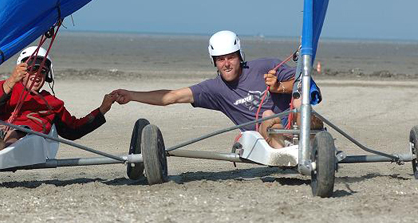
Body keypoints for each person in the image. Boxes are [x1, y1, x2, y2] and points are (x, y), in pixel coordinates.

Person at [111, 30, 322, 149]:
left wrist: (279, 87)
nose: (226, 63)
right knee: (267, 115)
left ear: (240, 56)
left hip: (295, 126)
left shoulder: (265, 66)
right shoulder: (215, 89)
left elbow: (304, 79)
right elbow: (172, 97)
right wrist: (132, 95)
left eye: (231, 57)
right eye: (220, 59)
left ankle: (309, 143)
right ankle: (286, 152)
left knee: (300, 103)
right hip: (264, 139)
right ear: (214, 62)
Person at [0, 46, 116, 150]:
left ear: (47, 76)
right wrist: (11, 80)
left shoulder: (52, 103)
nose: (37, 75)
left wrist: (102, 109)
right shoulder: (7, 87)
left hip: (22, 138)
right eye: (32, 69)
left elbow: (73, 130)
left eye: (42, 71)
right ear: (21, 71)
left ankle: (3, 146)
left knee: (18, 131)